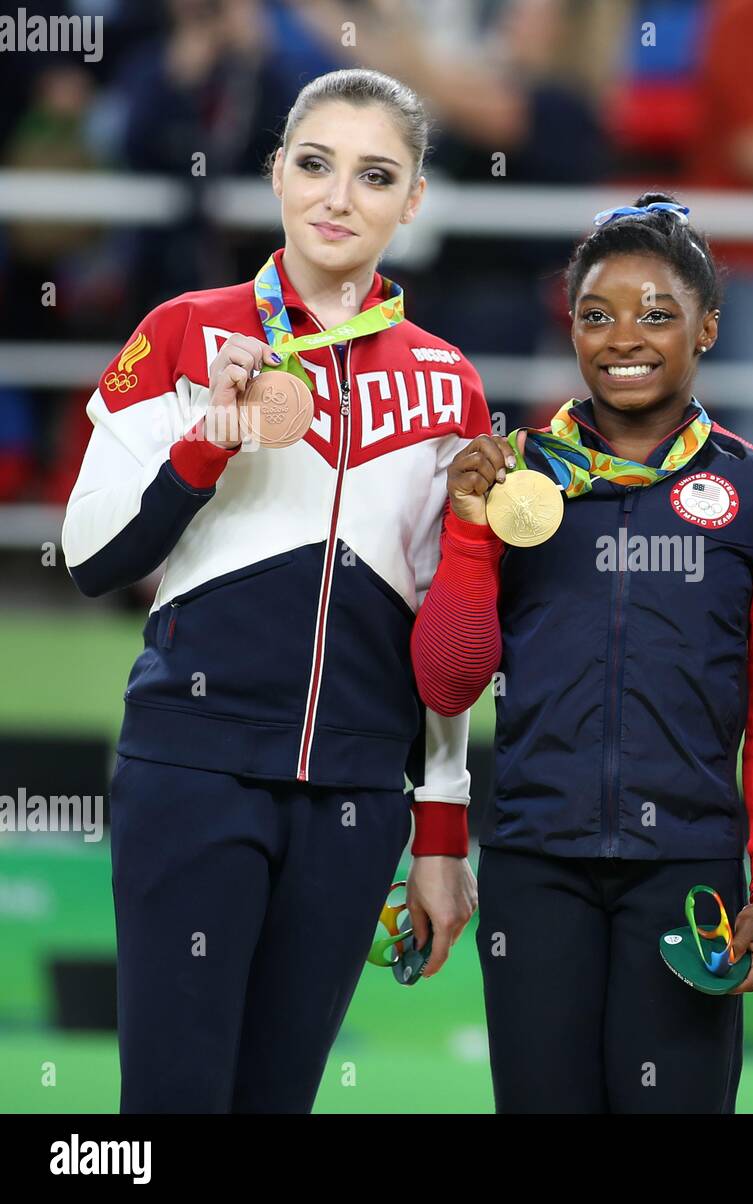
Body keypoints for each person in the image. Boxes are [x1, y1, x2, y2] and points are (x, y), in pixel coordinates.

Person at [60, 69, 483, 1113]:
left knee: (276, 1101)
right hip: (192, 771)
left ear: (413, 199)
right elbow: (90, 557)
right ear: (275, 173)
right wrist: (210, 438)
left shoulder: (449, 381)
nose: (339, 197)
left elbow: (445, 640)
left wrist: (438, 835)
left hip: (354, 798)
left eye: (374, 174)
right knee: (170, 1105)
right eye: (315, 163)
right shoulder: (184, 332)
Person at [411, 192, 753, 1113]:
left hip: (687, 873)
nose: (621, 337)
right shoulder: (509, 474)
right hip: (535, 866)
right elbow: (447, 677)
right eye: (595, 314)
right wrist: (473, 533)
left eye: (657, 315)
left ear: (708, 327)